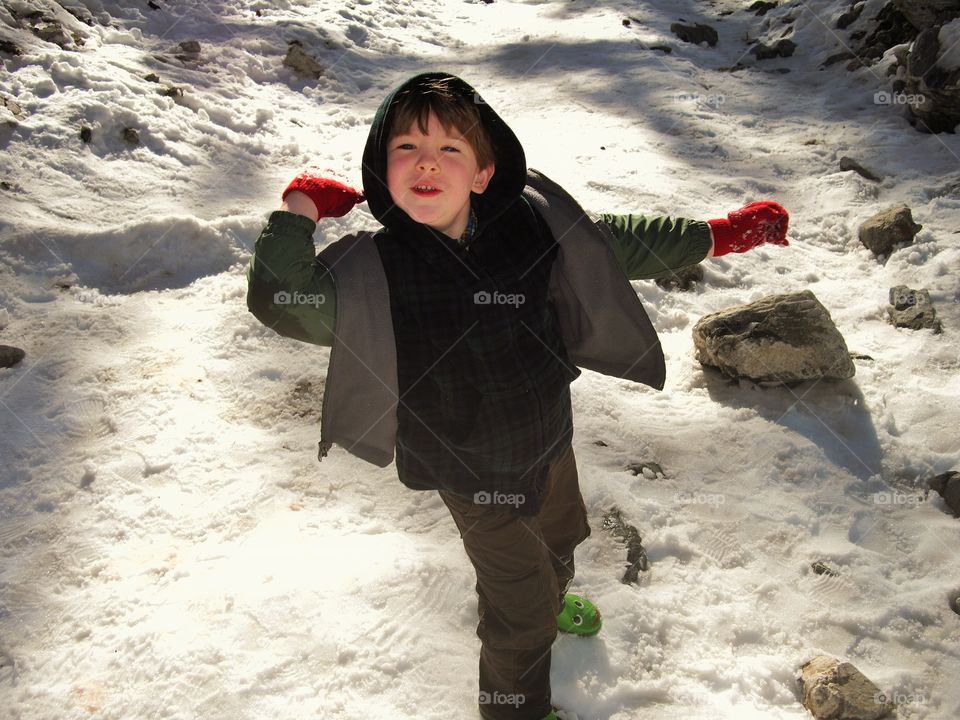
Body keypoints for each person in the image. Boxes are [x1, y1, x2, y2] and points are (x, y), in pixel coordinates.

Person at [246, 72, 788, 720]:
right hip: (469, 477)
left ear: (483, 171)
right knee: (517, 616)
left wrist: (720, 234)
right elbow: (280, 296)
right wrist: (300, 206)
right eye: (406, 150)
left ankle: (552, 593)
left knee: (563, 532)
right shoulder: (374, 274)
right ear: (382, 176)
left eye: (450, 148)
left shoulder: (533, 228)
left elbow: (620, 241)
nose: (427, 163)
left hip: (547, 439)